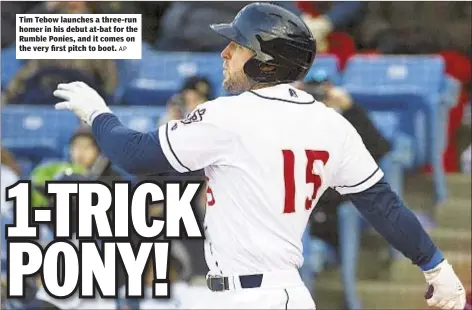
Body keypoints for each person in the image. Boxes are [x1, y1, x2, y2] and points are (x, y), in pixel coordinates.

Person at [53, 3, 466, 309]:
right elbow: (382, 205)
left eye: (237, 45)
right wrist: (434, 266)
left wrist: (98, 114)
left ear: (266, 62)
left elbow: (136, 155)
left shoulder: (228, 115)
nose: (225, 53)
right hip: (268, 292)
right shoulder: (332, 124)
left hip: (255, 296)